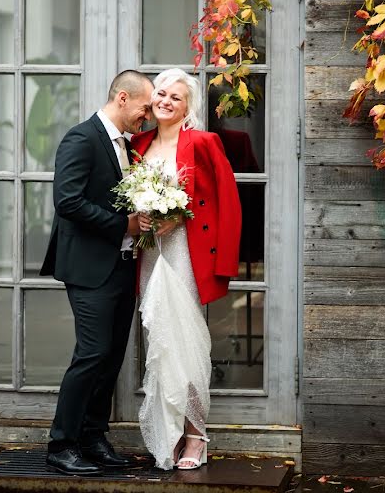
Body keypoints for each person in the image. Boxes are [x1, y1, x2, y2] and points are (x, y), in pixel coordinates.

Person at [39, 69, 154, 476]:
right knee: (90, 355)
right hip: (89, 267)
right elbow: (67, 201)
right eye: (144, 107)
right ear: (122, 98)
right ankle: (61, 444)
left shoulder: (127, 145)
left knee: (110, 358)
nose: (148, 116)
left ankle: (92, 437)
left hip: (123, 266)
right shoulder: (81, 138)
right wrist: (123, 226)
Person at [129, 68, 242, 470]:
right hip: (150, 255)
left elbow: (228, 200)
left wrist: (222, 259)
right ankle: (169, 431)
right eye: (160, 93)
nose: (165, 101)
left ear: (187, 107)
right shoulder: (137, 144)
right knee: (160, 343)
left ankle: (196, 435)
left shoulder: (204, 143)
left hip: (188, 256)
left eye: (175, 97)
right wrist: (139, 218)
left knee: (187, 343)